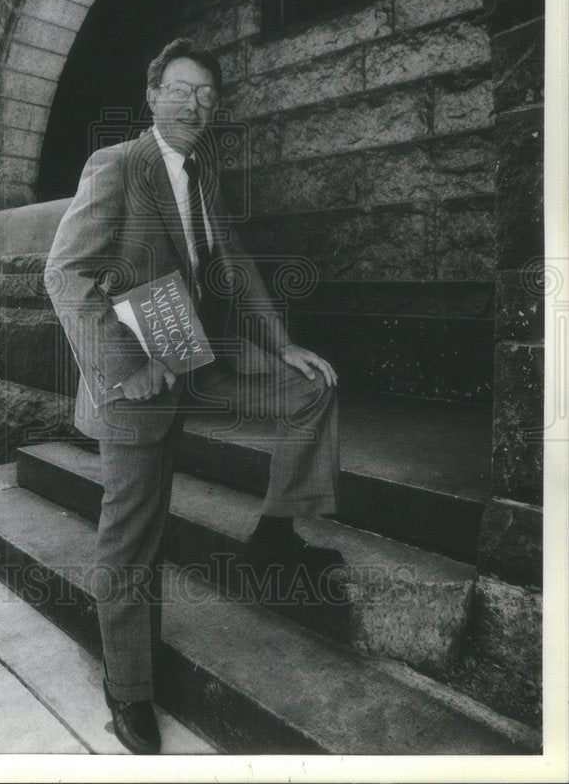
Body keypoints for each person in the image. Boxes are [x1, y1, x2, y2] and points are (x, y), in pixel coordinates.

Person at [45, 38, 342, 755]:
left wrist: (280, 346)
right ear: (152, 96)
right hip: (137, 382)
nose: (193, 105)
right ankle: (129, 691)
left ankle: (275, 535)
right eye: (179, 90)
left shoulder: (204, 175)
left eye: (206, 96)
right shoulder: (116, 166)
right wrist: (124, 368)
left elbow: (233, 266)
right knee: (132, 540)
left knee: (311, 391)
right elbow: (65, 275)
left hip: (194, 362)